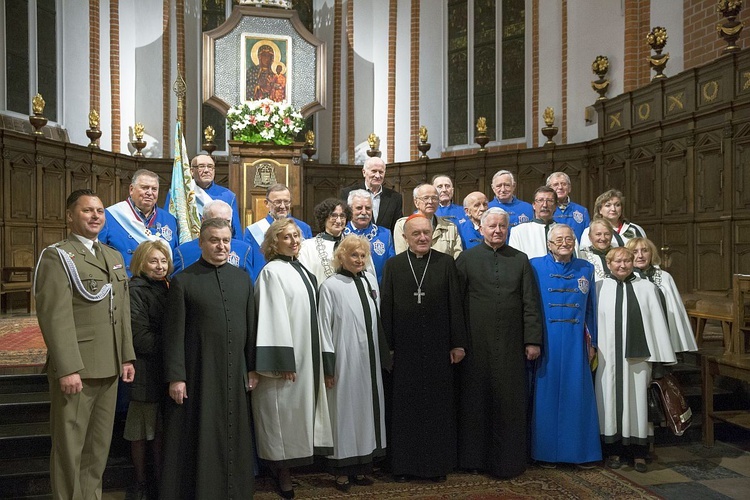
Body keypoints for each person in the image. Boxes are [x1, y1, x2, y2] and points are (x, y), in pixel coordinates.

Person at [33, 189, 135, 500]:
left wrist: (127, 357)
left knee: (97, 448)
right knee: (70, 449)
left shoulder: (112, 256)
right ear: (69, 216)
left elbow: (122, 312)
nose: (95, 216)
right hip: (78, 368)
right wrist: (67, 368)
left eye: (100, 211)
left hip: (110, 365)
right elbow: (55, 318)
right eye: (87, 210)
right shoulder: (58, 256)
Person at [161, 218, 257, 499]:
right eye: (214, 240)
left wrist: (252, 368)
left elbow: (251, 326)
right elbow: (173, 334)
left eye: (226, 240)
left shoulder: (242, 278)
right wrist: (176, 376)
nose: (221, 246)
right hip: (199, 371)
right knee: (199, 435)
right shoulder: (183, 281)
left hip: (235, 372)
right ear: (201, 243)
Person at [455, 207, 543, 479]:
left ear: (508, 229)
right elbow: (455, 304)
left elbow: (530, 302)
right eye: (491, 226)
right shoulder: (466, 259)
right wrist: (457, 342)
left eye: (501, 227)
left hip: (510, 344)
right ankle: (473, 459)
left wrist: (532, 341)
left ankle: (508, 462)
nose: (496, 231)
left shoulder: (520, 260)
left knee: (508, 404)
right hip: (475, 344)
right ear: (480, 228)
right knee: (474, 402)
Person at [381, 214, 467, 482]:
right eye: (415, 234)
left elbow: (456, 305)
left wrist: (458, 343)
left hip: (438, 347)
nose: (422, 238)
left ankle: (435, 466)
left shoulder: (445, 263)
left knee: (436, 406)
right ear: (405, 237)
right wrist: (389, 350)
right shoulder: (394, 265)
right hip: (405, 351)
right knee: (406, 408)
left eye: (426, 233)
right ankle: (404, 466)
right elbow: (387, 310)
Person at [253, 218, 334, 499]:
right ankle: (281, 471)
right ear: (274, 243)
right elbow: (271, 316)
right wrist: (280, 361)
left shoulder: (302, 270)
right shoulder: (271, 272)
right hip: (285, 362)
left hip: (305, 354)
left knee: (296, 416)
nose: (294, 241)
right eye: (286, 237)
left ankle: (291, 466)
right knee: (281, 416)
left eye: (297, 235)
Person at [318, 235, 391, 492]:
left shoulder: (371, 280)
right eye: (353, 255)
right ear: (341, 257)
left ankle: (362, 466)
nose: (359, 260)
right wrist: (328, 367)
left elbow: (377, 320)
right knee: (345, 413)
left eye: (363, 256)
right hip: (344, 360)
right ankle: (341, 470)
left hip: (368, 360)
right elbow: (323, 329)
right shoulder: (330, 286)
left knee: (366, 411)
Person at [596, 247, 676, 473]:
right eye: (617, 261)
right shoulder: (600, 288)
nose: (622, 265)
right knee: (609, 401)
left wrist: (659, 362)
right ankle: (613, 451)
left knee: (637, 402)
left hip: (638, 359)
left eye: (627, 261)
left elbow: (658, 326)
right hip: (607, 358)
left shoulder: (648, 288)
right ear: (609, 263)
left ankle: (639, 453)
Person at [529, 225, 601, 468]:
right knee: (546, 395)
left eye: (569, 239)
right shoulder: (534, 265)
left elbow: (591, 308)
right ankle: (546, 453)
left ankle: (580, 453)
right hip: (546, 340)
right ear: (549, 244)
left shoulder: (586, 268)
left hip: (575, 342)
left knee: (576, 394)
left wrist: (593, 343)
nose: (564, 243)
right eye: (558, 239)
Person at [124, 240, 172, 500]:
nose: (160, 266)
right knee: (142, 431)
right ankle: (141, 482)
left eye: (163, 261)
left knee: (161, 429)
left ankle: (161, 481)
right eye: (153, 261)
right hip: (145, 369)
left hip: (165, 369)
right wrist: (175, 345)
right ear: (141, 262)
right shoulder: (136, 290)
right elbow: (139, 337)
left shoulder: (168, 287)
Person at [100, 169, 178, 276]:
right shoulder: (109, 216)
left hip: (160, 287)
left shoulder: (170, 220)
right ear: (131, 189)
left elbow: (173, 257)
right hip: (124, 284)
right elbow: (99, 255)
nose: (149, 193)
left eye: (154, 189)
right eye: (144, 188)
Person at [626, 237, 698, 353]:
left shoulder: (665, 277)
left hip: (664, 330)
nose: (640, 256)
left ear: (652, 253)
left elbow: (674, 308)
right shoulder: (625, 279)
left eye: (645, 251)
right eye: (635, 252)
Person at [243, 183, 313, 280]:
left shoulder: (303, 228)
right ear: (266, 203)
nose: (283, 206)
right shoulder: (253, 231)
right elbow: (248, 268)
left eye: (286, 201)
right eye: (277, 202)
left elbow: (308, 261)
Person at [164, 154, 242, 238]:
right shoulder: (178, 193)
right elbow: (168, 223)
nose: (206, 170)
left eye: (210, 166)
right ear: (191, 171)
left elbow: (235, 231)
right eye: (201, 166)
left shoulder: (228, 195)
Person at [172, 200, 253, 276]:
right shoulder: (183, 253)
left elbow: (249, 285)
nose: (222, 226)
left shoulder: (244, 250)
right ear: (203, 221)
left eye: (227, 221)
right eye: (216, 221)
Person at [298, 198, 362, 286]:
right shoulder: (308, 247)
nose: (339, 221)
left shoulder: (355, 245)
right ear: (324, 218)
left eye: (342, 216)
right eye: (334, 216)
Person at [393, 184, 463, 258]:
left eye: (434, 198)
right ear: (416, 202)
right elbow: (402, 257)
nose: (430, 201)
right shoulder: (403, 224)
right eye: (426, 198)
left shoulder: (449, 227)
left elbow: (457, 257)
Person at [509, 186, 579, 259]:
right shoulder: (519, 231)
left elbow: (577, 259)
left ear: (555, 206)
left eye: (549, 201)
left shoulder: (567, 232)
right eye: (540, 200)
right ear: (533, 205)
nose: (545, 205)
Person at [342, 189, 395, 283]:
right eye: (359, 208)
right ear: (350, 210)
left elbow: (391, 269)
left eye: (368, 208)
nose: (364, 212)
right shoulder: (341, 235)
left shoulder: (385, 235)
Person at [340, 156, 403, 232]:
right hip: (355, 241)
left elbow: (396, 227)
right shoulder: (348, 193)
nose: (377, 176)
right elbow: (343, 221)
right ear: (364, 172)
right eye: (374, 171)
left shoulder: (395, 197)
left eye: (381, 172)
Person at [580, 189, 646, 248]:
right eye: (608, 205)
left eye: (617, 205)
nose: (613, 209)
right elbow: (584, 256)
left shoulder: (636, 229)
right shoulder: (590, 231)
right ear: (600, 209)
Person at [487, 170, 534, 236]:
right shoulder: (487, 209)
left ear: (514, 186)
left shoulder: (528, 208)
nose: (503, 190)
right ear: (493, 188)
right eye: (499, 186)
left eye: (507, 185)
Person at [547, 172, 591, 242]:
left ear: (569, 188)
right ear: (549, 189)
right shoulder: (545, 210)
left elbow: (588, 238)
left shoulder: (582, 211)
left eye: (564, 184)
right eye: (556, 184)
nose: (560, 187)